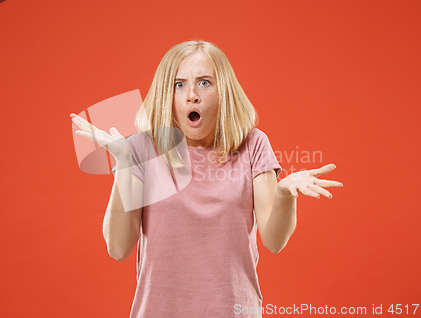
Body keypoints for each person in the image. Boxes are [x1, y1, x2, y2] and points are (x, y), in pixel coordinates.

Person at [69, 40, 343, 318]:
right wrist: (124, 163)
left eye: (204, 83)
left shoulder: (254, 145)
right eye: (179, 84)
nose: (192, 95)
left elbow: (274, 241)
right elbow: (118, 248)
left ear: (223, 91)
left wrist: (284, 195)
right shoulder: (142, 148)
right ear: (167, 93)